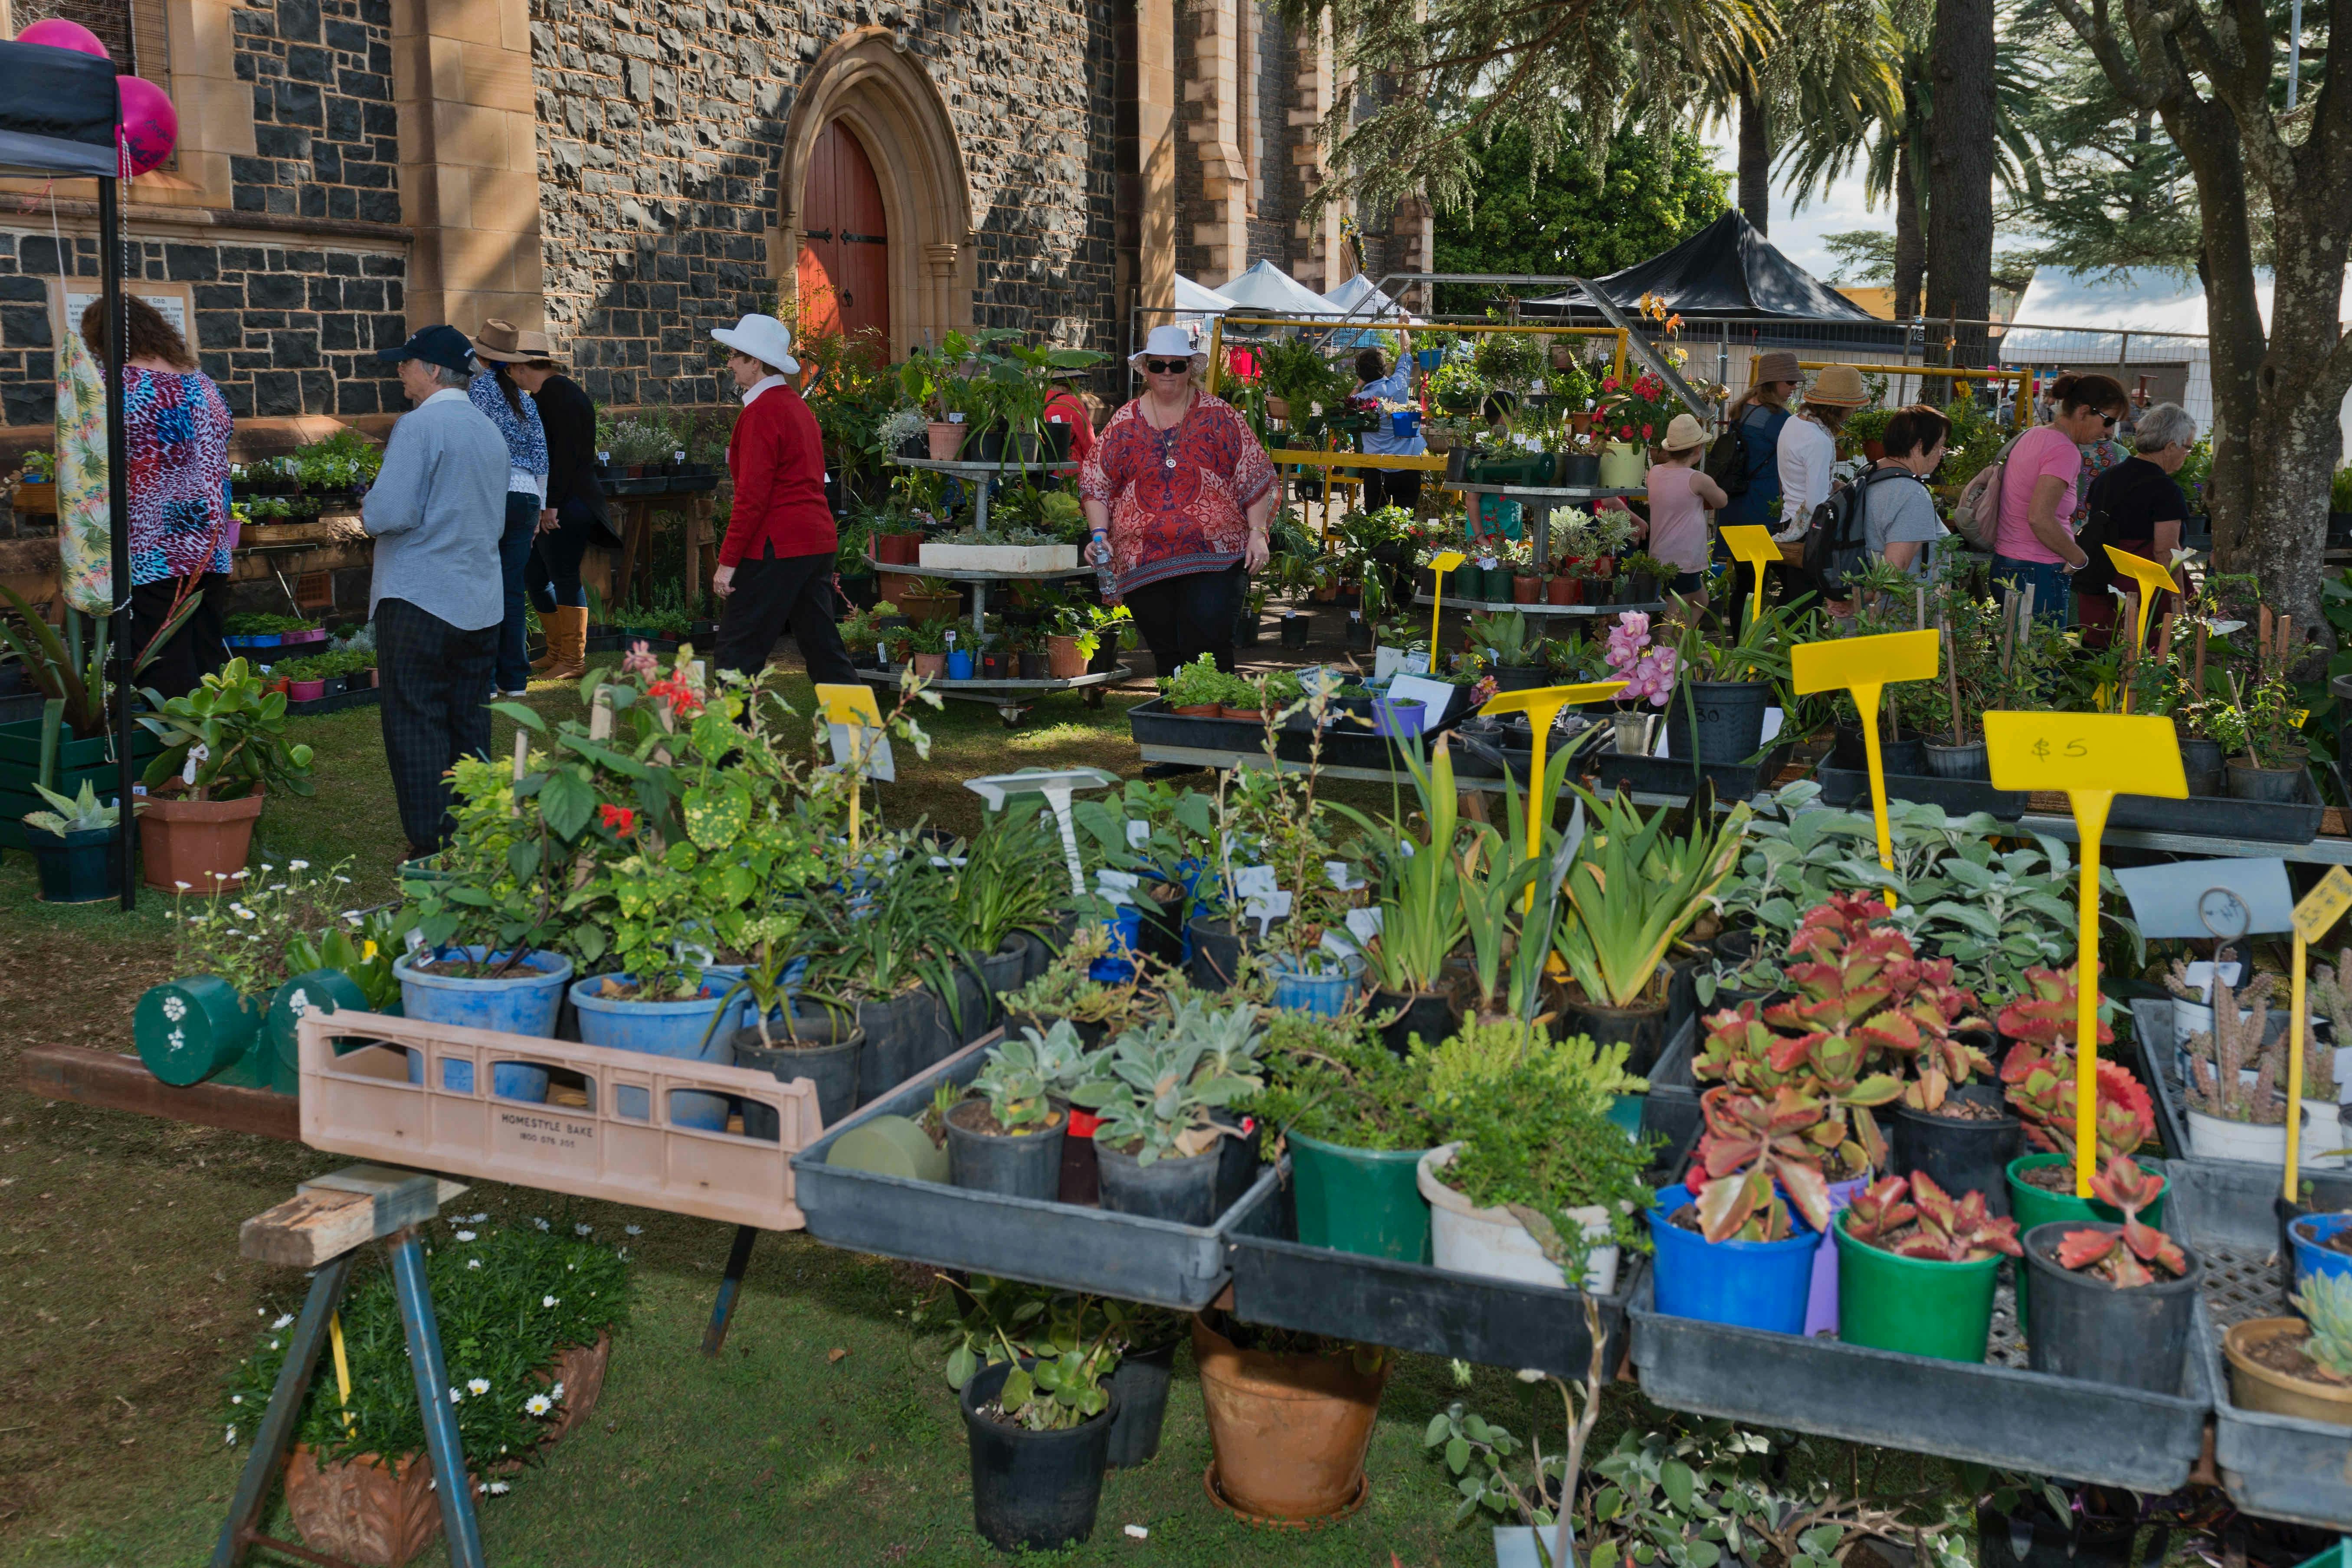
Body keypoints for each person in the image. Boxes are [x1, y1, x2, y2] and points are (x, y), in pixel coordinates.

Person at [363, 325, 507, 860]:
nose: (399, 371)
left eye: (406, 363)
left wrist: (367, 507)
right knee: (469, 717)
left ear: (430, 370)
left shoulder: (420, 427)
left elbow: (388, 513)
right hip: (478, 597)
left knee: (415, 719)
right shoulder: (488, 428)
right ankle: (474, 826)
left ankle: (431, 840)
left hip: (420, 595)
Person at [1078, 324, 1278, 676]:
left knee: (1210, 649)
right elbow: (1096, 480)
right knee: (1167, 654)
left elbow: (1255, 473)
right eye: (1158, 365)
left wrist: (1258, 533)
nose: (1167, 372)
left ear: (1190, 369)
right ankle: (1173, 725)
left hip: (1216, 555)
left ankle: (1211, 721)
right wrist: (1099, 534)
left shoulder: (1220, 416)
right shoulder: (1123, 422)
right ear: (1146, 370)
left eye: (1176, 365)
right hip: (1144, 559)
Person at [83, 296, 234, 699]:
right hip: (211, 543)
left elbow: (88, 460)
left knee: (160, 666)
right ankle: (208, 756)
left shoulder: (112, 385)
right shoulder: (203, 384)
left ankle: (174, 758)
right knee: (205, 661)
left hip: (151, 547)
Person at [706, 314, 858, 685]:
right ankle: (860, 742)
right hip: (813, 539)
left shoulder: (762, 412)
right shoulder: (797, 407)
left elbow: (752, 497)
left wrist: (728, 563)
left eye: (734, 356)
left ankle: (730, 744)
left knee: (736, 651)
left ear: (755, 362)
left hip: (778, 544)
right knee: (824, 649)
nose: (729, 362)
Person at [501, 329, 613, 681]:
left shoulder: (557, 395)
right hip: (559, 500)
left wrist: (550, 506)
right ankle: (556, 652)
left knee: (564, 575)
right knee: (535, 575)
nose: (510, 376)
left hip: (569, 503)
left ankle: (574, 659)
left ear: (522, 367)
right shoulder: (551, 393)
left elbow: (562, 458)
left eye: (511, 369)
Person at [1991, 371, 2128, 624]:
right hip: (2039, 570)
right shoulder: (2064, 450)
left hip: (2008, 562)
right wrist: (2078, 558)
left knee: (2014, 657)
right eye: (2108, 421)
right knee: (2043, 662)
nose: (2109, 432)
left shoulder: (2034, 435)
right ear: (2084, 411)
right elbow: (2040, 518)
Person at [465, 319, 550, 699]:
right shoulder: (525, 399)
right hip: (527, 494)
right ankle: (515, 679)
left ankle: (485, 680)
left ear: (481, 355)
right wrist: (540, 508)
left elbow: (473, 450)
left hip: (492, 493)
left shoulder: (475, 392)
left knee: (484, 586)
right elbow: (542, 457)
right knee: (512, 589)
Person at [2074, 401, 2197, 645]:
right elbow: (2166, 550)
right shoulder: (2165, 489)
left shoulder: (2107, 477)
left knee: (2102, 654)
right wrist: (2180, 605)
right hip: (2141, 586)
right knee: (2142, 657)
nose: (2187, 454)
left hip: (2100, 578)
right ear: (2171, 446)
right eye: (2188, 448)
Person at [1775, 363, 1869, 543]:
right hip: (1811, 532)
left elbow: (1800, 474)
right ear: (1838, 408)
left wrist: (1831, 484)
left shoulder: (1794, 422)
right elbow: (1815, 504)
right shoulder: (1819, 440)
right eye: (1854, 405)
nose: (1854, 411)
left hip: (1789, 518)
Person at [1712, 349, 1797, 534]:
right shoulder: (1777, 417)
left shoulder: (1742, 409)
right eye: (1790, 382)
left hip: (1735, 498)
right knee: (1763, 560)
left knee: (1740, 559)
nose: (1795, 387)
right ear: (1773, 383)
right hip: (1763, 503)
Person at [1860, 404, 1951, 577]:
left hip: (1862, 594)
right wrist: (1853, 603)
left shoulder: (1868, 473)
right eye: (1940, 447)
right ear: (1919, 447)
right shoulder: (1913, 494)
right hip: (1901, 602)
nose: (1942, 454)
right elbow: (1894, 570)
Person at [1644, 413, 1727, 603]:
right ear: (1698, 449)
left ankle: (1684, 635)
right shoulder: (1697, 479)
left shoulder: (1655, 473)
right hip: (1683, 558)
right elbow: (1722, 501)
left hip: (1660, 553)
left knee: (1701, 602)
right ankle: (1673, 635)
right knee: (1675, 613)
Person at [1353, 347, 1426, 513]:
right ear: (1384, 369)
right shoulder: (1399, 385)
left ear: (1362, 375)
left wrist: (1358, 386)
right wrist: (1403, 330)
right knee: (1406, 521)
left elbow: (1346, 407)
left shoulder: (1361, 400)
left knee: (1375, 521)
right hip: (1407, 465)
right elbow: (1405, 358)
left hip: (1376, 470)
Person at [1042, 367, 1098, 464]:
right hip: (1065, 468)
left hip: (1033, 468)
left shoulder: (1034, 399)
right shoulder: (1071, 403)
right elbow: (1088, 441)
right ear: (1072, 381)